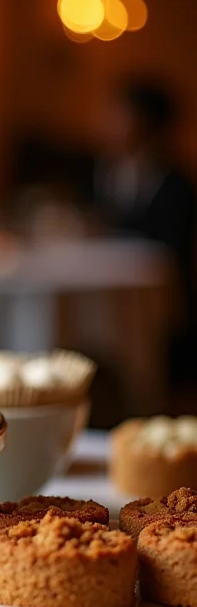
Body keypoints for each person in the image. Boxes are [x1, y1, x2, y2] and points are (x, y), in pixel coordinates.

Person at [93, 77, 197, 382]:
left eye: (118, 113)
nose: (108, 122)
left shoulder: (177, 182)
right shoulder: (105, 170)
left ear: (146, 121)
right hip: (110, 286)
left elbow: (170, 248)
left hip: (165, 300)